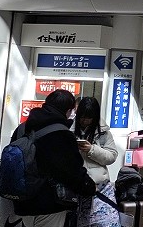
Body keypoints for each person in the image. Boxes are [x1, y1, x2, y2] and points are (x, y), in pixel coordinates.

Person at [11, 89, 96, 227]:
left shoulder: (22, 128)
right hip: (49, 204)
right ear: (68, 111)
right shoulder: (61, 134)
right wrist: (89, 187)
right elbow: (71, 171)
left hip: (21, 202)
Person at [73, 97, 119, 227]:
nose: (84, 121)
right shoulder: (68, 129)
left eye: (89, 118)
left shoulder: (103, 132)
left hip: (100, 187)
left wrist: (91, 149)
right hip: (76, 187)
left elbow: (111, 156)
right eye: (82, 117)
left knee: (106, 223)